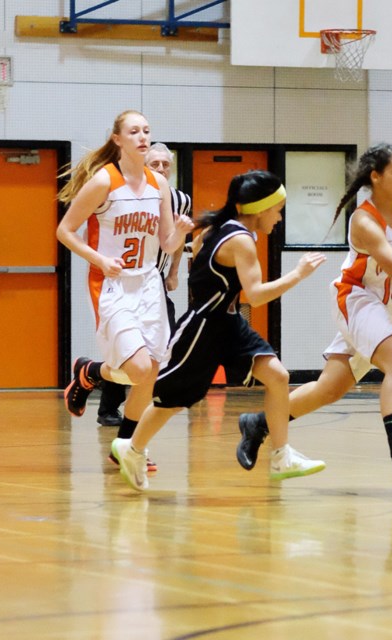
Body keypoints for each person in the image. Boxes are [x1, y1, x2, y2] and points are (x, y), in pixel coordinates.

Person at [235, 142, 392, 485]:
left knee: (330, 388)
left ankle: (259, 424)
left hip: (383, 305)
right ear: (376, 176)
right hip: (355, 298)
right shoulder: (364, 221)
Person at [110, 170, 328, 490]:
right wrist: (298, 274)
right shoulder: (240, 239)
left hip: (228, 322)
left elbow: (199, 264)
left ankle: (281, 455)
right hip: (204, 326)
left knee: (278, 377)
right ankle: (132, 448)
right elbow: (254, 296)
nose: (279, 217)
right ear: (257, 207)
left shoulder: (220, 230)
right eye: (277, 209)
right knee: (174, 398)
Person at [57, 111, 194, 472]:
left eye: (146, 130)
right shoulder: (104, 181)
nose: (142, 136)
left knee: (150, 373)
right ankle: (93, 372)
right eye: (134, 131)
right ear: (117, 139)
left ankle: (128, 446)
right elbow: (66, 231)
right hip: (112, 283)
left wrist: (180, 232)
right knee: (137, 368)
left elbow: (166, 241)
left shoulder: (158, 185)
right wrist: (99, 259)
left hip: (148, 282)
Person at [96, 142, 193, 428]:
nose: (161, 168)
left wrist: (174, 272)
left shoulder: (181, 200)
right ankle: (108, 406)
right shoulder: (124, 191)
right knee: (131, 352)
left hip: (156, 280)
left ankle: (131, 430)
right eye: (156, 164)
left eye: (166, 164)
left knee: (161, 352)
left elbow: (176, 242)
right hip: (123, 280)